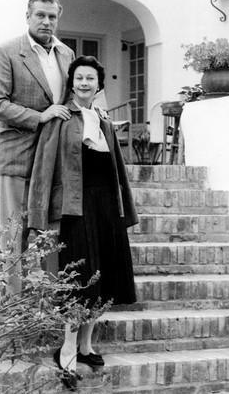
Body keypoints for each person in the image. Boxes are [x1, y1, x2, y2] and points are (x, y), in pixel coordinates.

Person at [27, 56, 138, 390]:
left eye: (90, 78)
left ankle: (87, 346)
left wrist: (123, 209)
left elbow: (117, 171)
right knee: (80, 278)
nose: (85, 83)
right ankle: (68, 348)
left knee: (103, 276)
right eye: (79, 78)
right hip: (76, 207)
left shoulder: (104, 119)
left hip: (107, 206)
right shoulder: (61, 117)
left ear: (99, 84)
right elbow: (43, 168)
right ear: (72, 83)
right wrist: (39, 214)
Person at [0, 0, 75, 292]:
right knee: (14, 235)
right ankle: (14, 306)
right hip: (18, 155)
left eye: (52, 16)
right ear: (28, 16)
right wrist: (40, 116)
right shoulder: (8, 51)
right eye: (40, 15)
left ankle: (52, 302)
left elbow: (70, 100)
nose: (46, 21)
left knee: (52, 235)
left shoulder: (66, 54)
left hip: (54, 158)